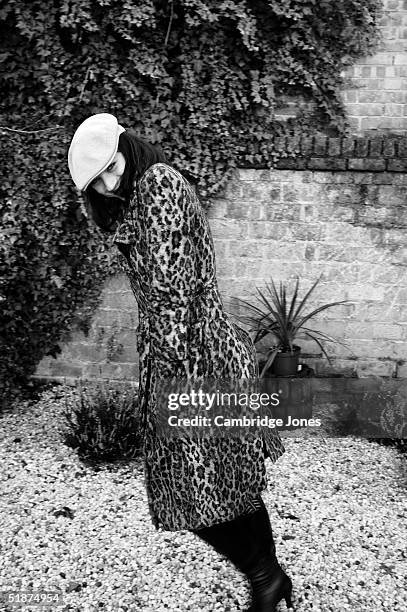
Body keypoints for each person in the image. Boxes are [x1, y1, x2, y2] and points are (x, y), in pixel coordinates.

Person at [68, 113, 293, 611]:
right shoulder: (141, 196)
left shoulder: (159, 185)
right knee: (213, 479)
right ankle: (268, 576)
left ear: (127, 146)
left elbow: (171, 292)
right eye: (98, 181)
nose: (109, 183)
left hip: (195, 356)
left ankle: (265, 577)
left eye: (111, 167)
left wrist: (167, 373)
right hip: (182, 352)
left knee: (204, 484)